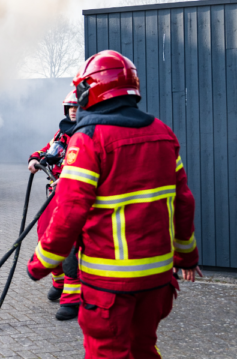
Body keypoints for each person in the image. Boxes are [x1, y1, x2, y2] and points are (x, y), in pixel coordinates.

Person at [27, 50, 201, 358]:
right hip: (158, 281)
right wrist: (187, 257)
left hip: (110, 286)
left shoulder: (90, 138)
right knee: (144, 348)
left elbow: (70, 211)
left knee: (107, 353)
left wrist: (41, 263)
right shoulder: (163, 133)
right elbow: (183, 203)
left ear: (90, 90)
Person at [27, 89, 81, 320]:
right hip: (54, 193)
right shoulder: (63, 131)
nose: (72, 112)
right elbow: (49, 149)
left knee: (70, 244)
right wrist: (35, 158)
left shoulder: (86, 135)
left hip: (74, 196)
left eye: (77, 108)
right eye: (69, 108)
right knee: (45, 234)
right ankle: (58, 282)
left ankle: (73, 295)